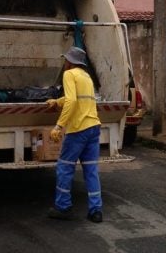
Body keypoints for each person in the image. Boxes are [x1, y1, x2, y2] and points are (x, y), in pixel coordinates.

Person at [46, 46, 103, 222]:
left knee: (64, 167)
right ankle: (96, 211)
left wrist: (58, 126)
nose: (65, 63)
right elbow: (78, 98)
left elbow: (71, 101)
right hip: (94, 127)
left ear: (70, 61)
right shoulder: (86, 77)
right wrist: (57, 101)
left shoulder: (69, 74)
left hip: (78, 129)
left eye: (66, 60)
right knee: (91, 171)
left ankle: (63, 207)